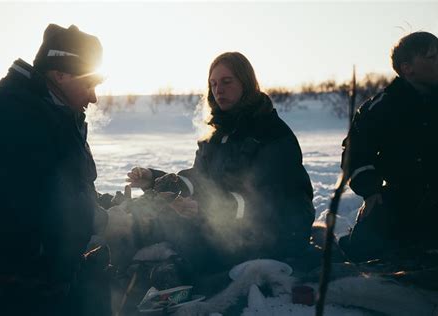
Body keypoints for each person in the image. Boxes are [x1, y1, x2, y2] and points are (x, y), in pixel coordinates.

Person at [126, 52, 315, 281]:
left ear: (246, 83)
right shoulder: (217, 134)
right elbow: (200, 178)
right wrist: (158, 181)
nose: (219, 90)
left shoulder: (272, 134)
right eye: (213, 84)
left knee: (196, 242)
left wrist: (212, 209)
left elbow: (271, 201)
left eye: (227, 82)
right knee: (155, 218)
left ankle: (177, 272)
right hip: (227, 224)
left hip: (278, 231)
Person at [0, 24, 107, 315]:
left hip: (37, 278)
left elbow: (70, 187)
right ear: (60, 74)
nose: (94, 97)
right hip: (4, 290)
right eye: (88, 84)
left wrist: (104, 207)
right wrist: (106, 219)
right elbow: (44, 208)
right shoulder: (9, 114)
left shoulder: (52, 111)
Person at [339, 32, 438, 262]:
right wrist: (371, 190)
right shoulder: (383, 107)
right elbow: (355, 153)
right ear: (408, 68)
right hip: (402, 198)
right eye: (433, 57)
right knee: (365, 251)